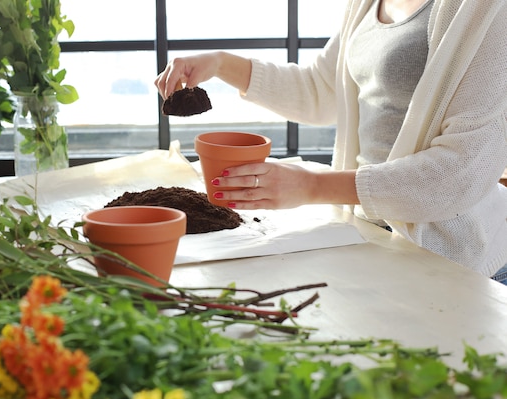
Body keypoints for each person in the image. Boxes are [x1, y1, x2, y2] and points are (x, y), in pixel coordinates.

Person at [155, 0, 507, 282]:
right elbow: (322, 91)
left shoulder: (490, 10)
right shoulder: (366, 4)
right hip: (377, 234)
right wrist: (220, 63)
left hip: (462, 257)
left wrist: (310, 187)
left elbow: (460, 173)